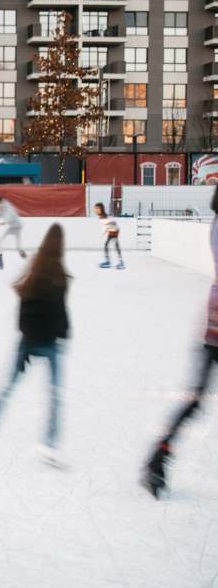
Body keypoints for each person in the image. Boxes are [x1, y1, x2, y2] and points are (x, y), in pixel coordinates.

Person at [142, 186, 218, 498]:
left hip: (213, 324)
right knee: (194, 401)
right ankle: (157, 458)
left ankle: (157, 458)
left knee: (194, 401)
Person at [0, 224, 70, 465]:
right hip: (49, 343)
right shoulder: (59, 274)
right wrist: (64, 333)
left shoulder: (35, 267)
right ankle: (49, 441)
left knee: (9, 385)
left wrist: (27, 334)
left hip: (28, 340)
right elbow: (61, 313)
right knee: (54, 395)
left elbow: (24, 304)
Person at [0, 196, 27, 270]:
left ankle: (24, 256)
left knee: (18, 248)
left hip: (18, 227)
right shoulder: (1, 208)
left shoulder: (9, 208)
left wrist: (3, 223)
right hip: (12, 227)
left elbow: (10, 217)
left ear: (0, 203)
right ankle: (0, 261)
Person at [93, 202, 124, 270]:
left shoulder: (103, 215)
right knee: (108, 244)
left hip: (114, 229)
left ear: (101, 209)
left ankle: (119, 262)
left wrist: (110, 229)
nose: (95, 209)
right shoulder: (101, 215)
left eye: (97, 208)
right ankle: (111, 261)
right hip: (112, 229)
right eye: (95, 208)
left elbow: (111, 223)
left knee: (114, 244)